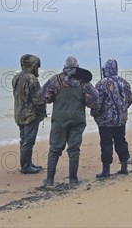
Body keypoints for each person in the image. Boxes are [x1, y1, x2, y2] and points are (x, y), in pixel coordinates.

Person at [41, 56, 99, 185]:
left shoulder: (55, 80)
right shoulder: (83, 82)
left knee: (55, 149)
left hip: (59, 120)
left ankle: (50, 179)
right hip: (77, 120)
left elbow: (44, 97)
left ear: (64, 66)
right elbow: (94, 101)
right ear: (77, 67)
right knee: (74, 149)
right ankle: (73, 179)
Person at [91, 59, 132, 178]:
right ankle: (124, 167)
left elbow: (97, 102)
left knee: (106, 143)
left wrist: (94, 113)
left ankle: (106, 170)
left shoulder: (101, 83)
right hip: (121, 120)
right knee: (121, 141)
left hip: (105, 121)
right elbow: (129, 100)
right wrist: (122, 111)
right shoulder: (124, 83)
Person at [12, 54, 46, 174]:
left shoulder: (16, 77)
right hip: (30, 115)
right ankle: (25, 166)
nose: (38, 68)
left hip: (19, 114)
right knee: (29, 141)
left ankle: (27, 163)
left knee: (24, 140)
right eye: (37, 66)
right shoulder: (32, 79)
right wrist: (44, 108)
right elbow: (38, 100)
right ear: (32, 65)